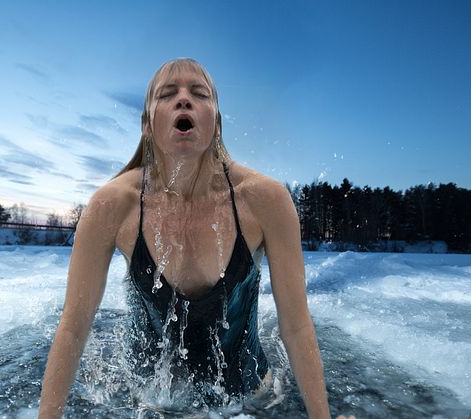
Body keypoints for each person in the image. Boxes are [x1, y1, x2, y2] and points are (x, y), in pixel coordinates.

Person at [39, 58, 343, 418]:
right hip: (148, 397)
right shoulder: (112, 205)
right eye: (168, 95)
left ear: (216, 122)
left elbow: (296, 324)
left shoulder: (264, 200)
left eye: (199, 94)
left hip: (247, 396)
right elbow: (74, 326)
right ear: (147, 125)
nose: (184, 100)